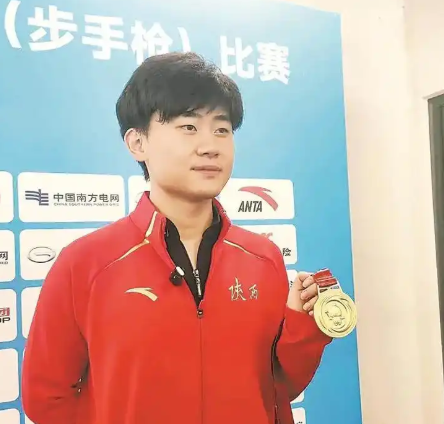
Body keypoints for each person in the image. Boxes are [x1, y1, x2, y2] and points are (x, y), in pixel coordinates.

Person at [21, 52, 332, 424]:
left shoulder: (263, 258)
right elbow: (47, 399)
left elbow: (277, 389)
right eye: (188, 127)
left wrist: (301, 326)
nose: (210, 145)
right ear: (137, 142)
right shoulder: (86, 263)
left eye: (222, 129)